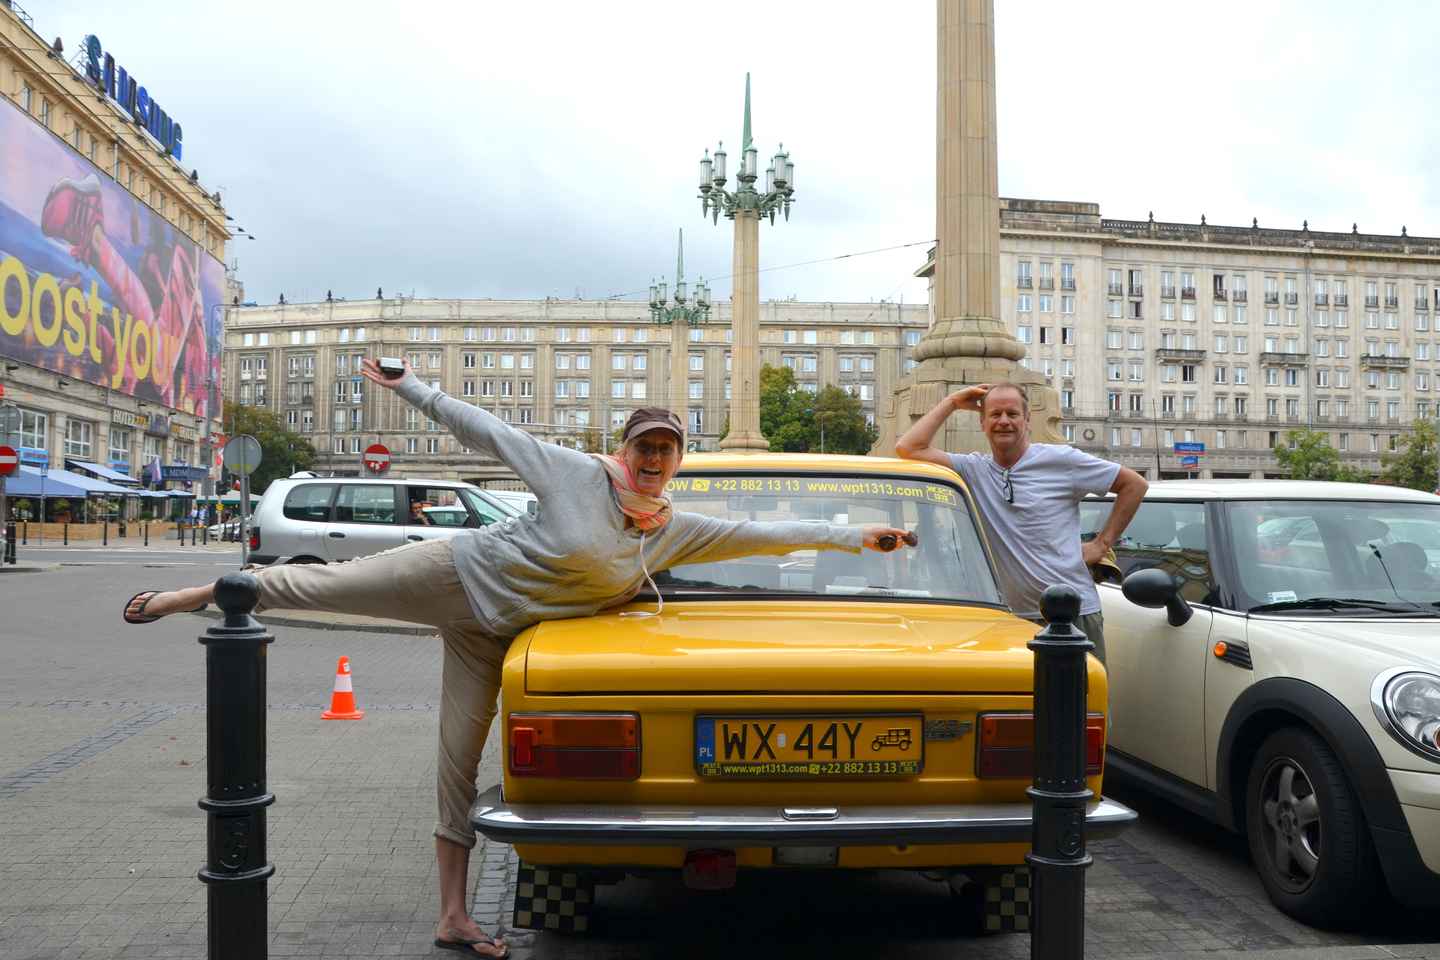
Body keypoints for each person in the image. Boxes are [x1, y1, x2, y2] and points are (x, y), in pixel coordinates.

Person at [122, 359, 916, 958]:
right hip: (457, 573)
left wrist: (860, 539)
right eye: (644, 445)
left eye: (667, 448)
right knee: (330, 586)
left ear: (679, 458)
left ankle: (453, 915)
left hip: (494, 635)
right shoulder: (574, 476)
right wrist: (410, 387)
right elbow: (485, 432)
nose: (653, 458)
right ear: (624, 448)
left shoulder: (671, 527)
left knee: (458, 761)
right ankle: (199, 593)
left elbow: (765, 537)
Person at [894, 381, 1146, 662]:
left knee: (1082, 703)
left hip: (1072, 615)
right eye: (995, 414)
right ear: (983, 423)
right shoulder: (974, 469)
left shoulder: (1062, 460)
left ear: (1027, 421)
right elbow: (908, 448)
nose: (1004, 421)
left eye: (1012, 414)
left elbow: (1134, 485)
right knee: (1019, 706)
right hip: (1009, 621)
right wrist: (952, 402)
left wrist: (1102, 543)